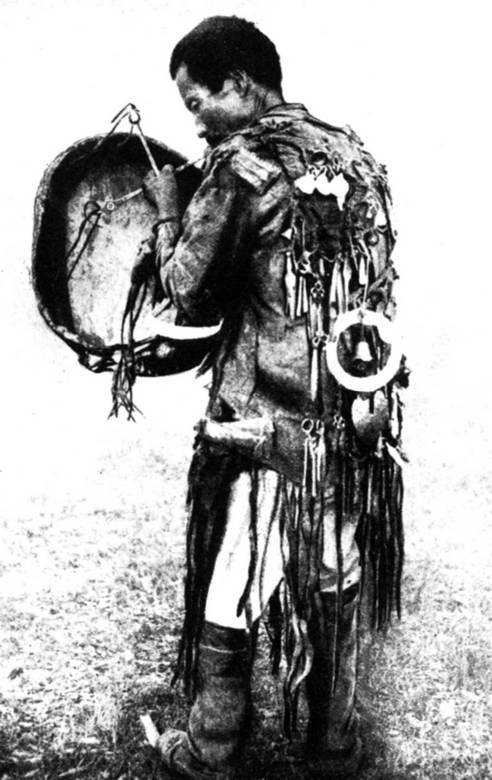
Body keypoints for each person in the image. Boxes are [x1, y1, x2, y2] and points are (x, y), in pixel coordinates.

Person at [137, 15, 406, 779]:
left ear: (239, 84)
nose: (196, 122)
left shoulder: (240, 167)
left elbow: (186, 289)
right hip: (353, 416)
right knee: (333, 573)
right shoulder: (352, 155)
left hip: (269, 423)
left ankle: (211, 749)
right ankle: (333, 746)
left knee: (236, 583)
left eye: (198, 102)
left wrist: (167, 208)